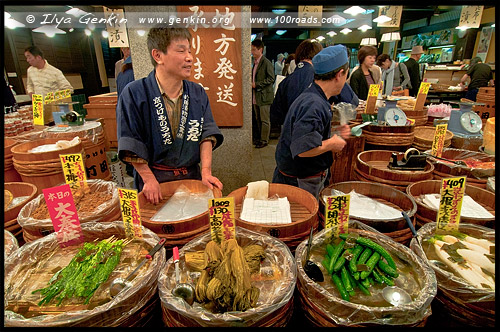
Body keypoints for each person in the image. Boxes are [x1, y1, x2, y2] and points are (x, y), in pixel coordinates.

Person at [117, 26, 224, 204]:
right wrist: (149, 179)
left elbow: (207, 134)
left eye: (190, 51)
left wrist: (206, 171)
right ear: (158, 56)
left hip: (192, 177)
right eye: (181, 51)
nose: (189, 57)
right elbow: (130, 141)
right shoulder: (134, 93)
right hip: (155, 183)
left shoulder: (197, 93)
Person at [272, 45, 351, 199]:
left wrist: (333, 135)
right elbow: (303, 149)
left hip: (299, 175)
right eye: (346, 75)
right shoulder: (314, 104)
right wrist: (332, 144)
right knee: (305, 220)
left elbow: (308, 133)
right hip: (300, 181)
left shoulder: (314, 95)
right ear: (339, 74)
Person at [24, 45, 74, 124]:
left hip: (53, 108)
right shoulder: (30, 70)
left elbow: (69, 90)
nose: (27, 60)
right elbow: (29, 85)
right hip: (38, 106)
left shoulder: (55, 72)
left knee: (56, 130)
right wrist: (30, 92)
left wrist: (53, 97)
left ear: (38, 57)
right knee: (40, 129)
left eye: (29, 57)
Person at [251, 39, 275, 148]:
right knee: (258, 119)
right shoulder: (254, 63)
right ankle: (260, 139)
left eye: (254, 50)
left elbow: (271, 78)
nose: (252, 52)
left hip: (264, 96)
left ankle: (264, 140)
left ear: (260, 50)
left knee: (265, 120)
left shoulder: (266, 62)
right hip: (256, 96)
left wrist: (257, 84)